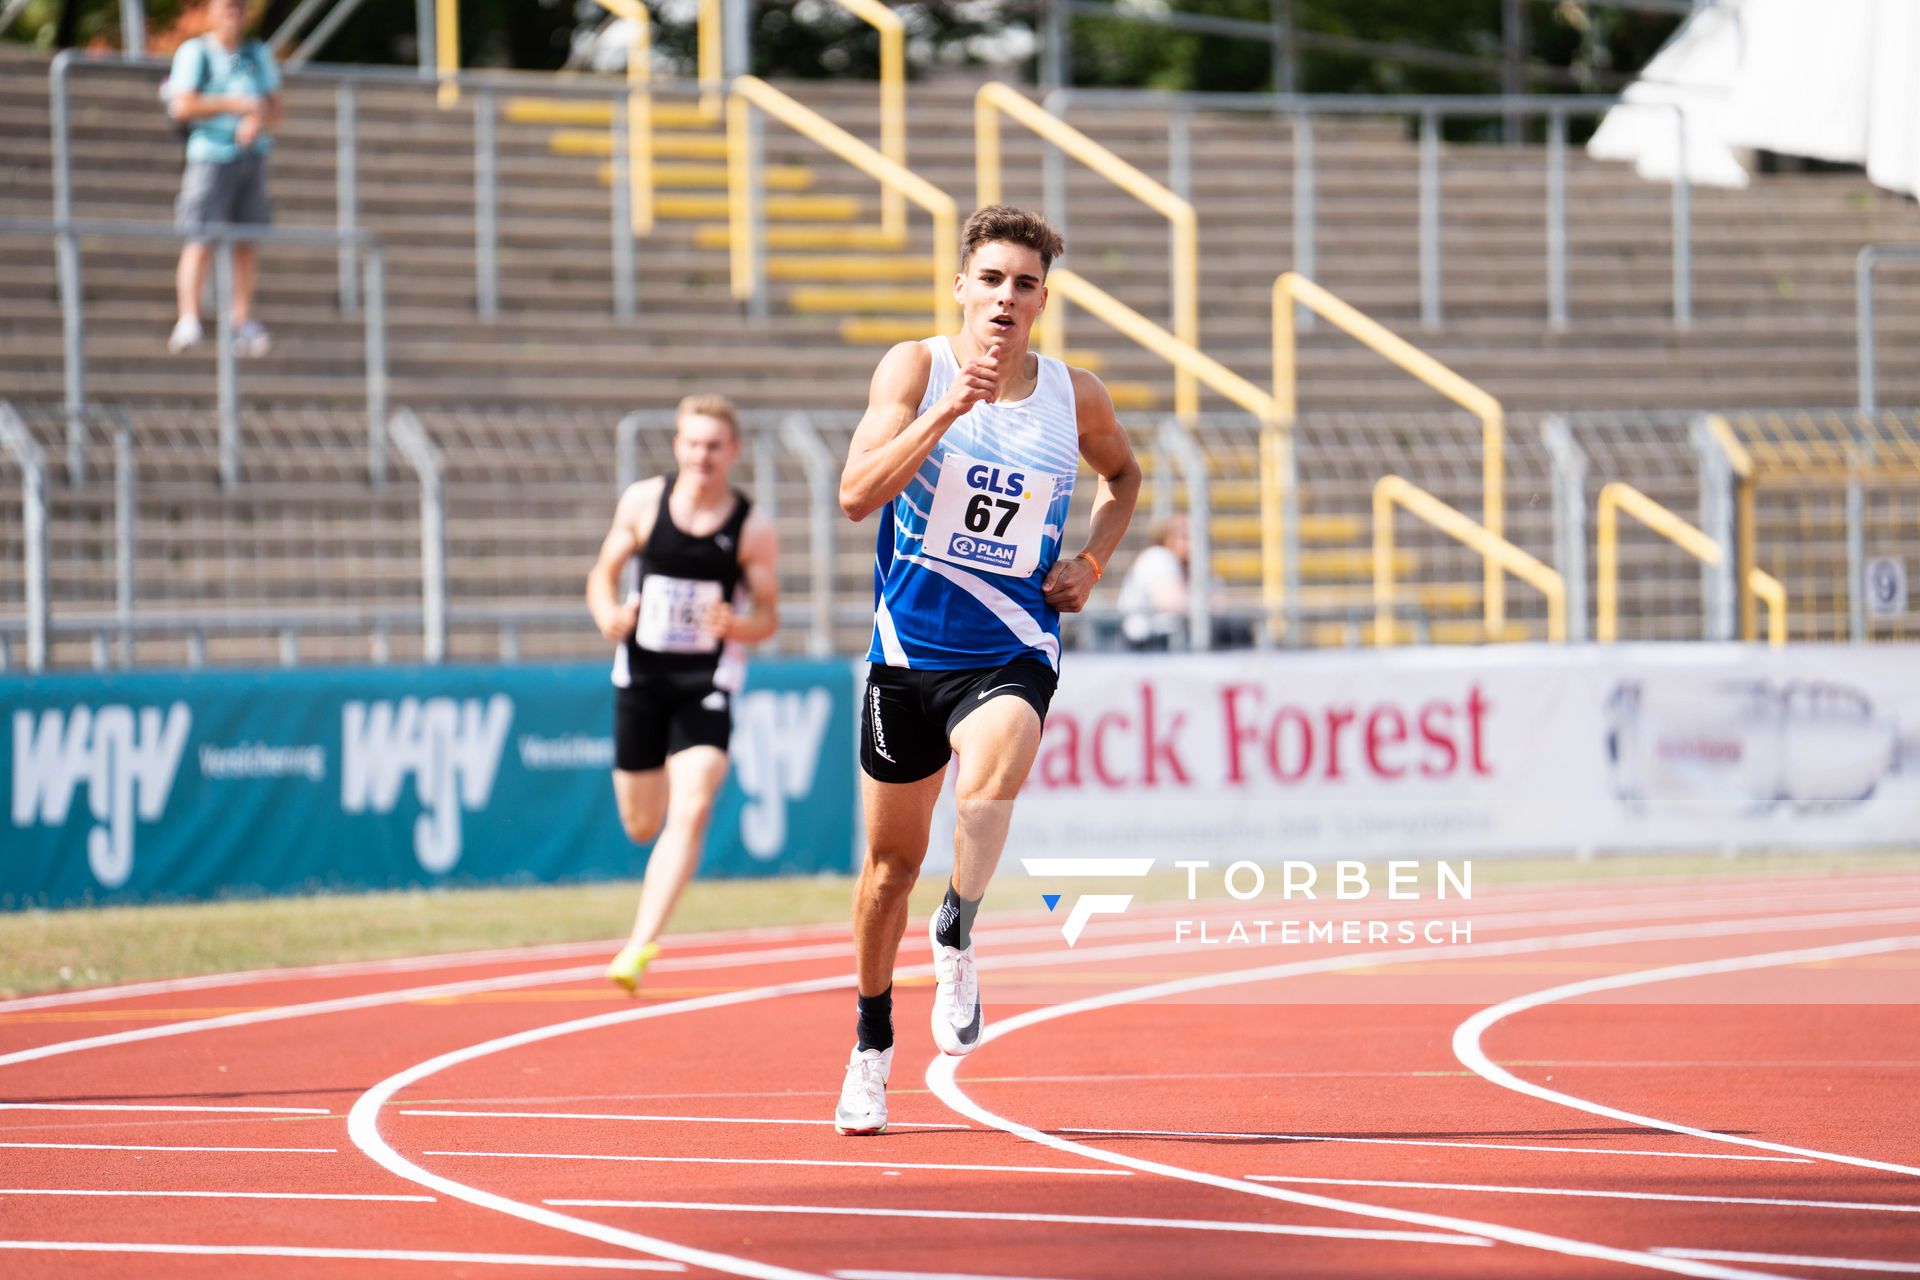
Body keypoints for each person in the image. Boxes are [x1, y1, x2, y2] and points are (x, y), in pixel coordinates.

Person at [832, 206, 1141, 1135]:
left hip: (1012, 647)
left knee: (993, 775)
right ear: (963, 285)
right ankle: (871, 1044)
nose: (1008, 298)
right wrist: (949, 410)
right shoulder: (914, 368)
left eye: (1027, 283)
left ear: (1046, 298)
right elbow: (855, 496)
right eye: (994, 279)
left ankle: (959, 923)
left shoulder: (1073, 396)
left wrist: (1092, 562)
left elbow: (1125, 479)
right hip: (907, 657)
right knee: (889, 869)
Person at [585, 394, 780, 993]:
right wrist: (608, 615)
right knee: (642, 823)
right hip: (642, 678)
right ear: (677, 447)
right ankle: (655, 827)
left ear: (733, 452)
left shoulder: (751, 527)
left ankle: (639, 945)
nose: (702, 455)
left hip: (706, 682)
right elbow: (602, 574)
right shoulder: (644, 502)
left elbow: (769, 615)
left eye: (714, 445)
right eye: (693, 443)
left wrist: (737, 625)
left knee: (693, 803)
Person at [164, 0, 281, 358]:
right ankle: (189, 317)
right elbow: (182, 105)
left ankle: (241, 319)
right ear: (212, 12)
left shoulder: (256, 54)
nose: (234, 14)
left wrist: (257, 118)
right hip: (209, 156)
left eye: (240, 8)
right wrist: (231, 105)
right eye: (228, 7)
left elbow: (275, 106)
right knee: (200, 236)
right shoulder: (196, 52)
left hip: (251, 155)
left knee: (246, 240)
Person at [1116, 514, 1194, 651]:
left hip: (1164, 642)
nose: (1192, 544)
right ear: (1168, 538)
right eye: (1185, 537)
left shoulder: (1187, 565)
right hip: (1145, 644)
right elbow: (1173, 602)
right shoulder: (1158, 557)